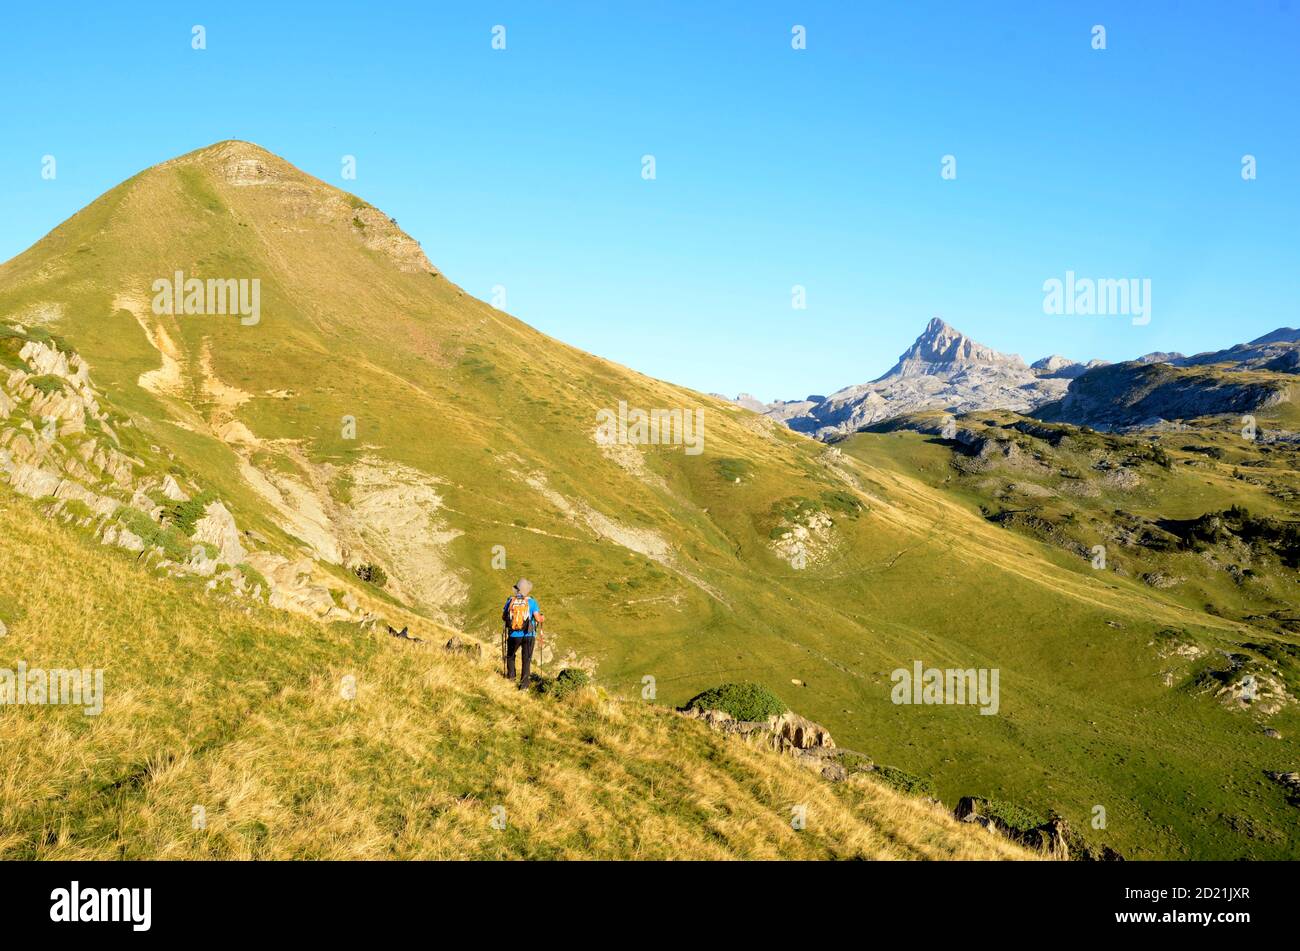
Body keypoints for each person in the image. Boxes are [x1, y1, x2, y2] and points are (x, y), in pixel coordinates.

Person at [502, 578, 544, 690]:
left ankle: (511, 679)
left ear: (517, 589)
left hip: (514, 635)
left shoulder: (510, 601)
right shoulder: (532, 602)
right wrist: (542, 618)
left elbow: (503, 617)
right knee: (526, 659)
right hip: (528, 635)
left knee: (510, 656)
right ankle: (524, 685)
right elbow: (537, 618)